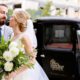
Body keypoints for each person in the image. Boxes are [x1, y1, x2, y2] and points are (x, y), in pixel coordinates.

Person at [6, 9, 49, 80]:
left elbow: (32, 60)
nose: (9, 19)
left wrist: (15, 73)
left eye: (12, 17)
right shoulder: (12, 36)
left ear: (17, 21)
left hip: (22, 74)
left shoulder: (24, 37)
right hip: (11, 71)